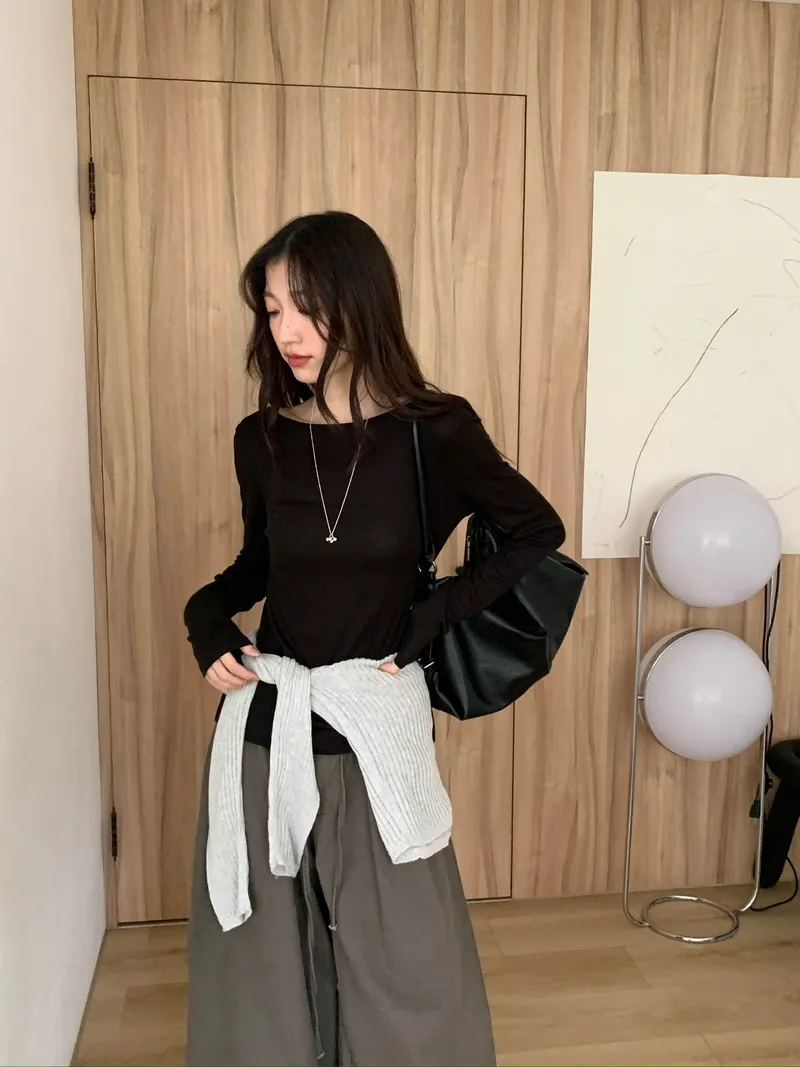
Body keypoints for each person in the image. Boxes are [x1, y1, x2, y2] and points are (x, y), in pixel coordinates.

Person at [183, 210, 566, 1067]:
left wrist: (429, 617)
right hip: (267, 723)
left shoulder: (437, 431)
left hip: (373, 722)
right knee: (263, 952)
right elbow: (255, 570)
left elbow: (537, 529)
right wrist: (205, 620)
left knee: (403, 946)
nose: (286, 331)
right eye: (272, 309)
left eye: (306, 307)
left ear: (360, 301)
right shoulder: (263, 439)